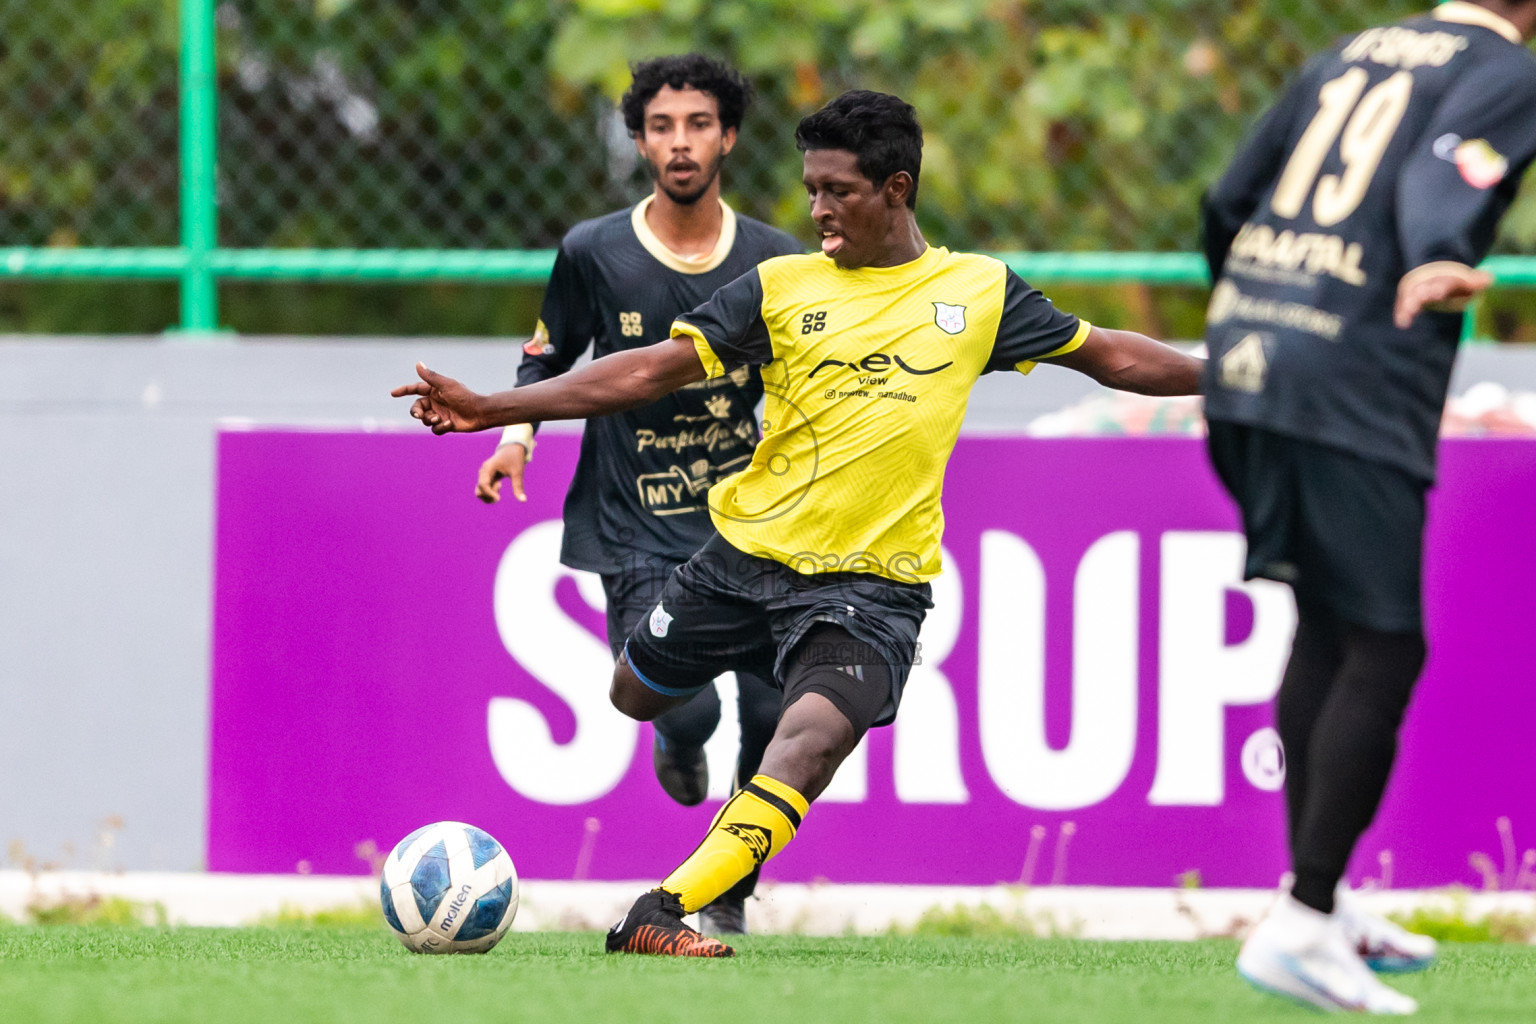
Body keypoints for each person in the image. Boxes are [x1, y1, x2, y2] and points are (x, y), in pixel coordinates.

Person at [397, 89, 1201, 958]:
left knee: (808, 742)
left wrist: (1228, 379)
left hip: (870, 590)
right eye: (810, 189)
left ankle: (664, 910)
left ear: (897, 189)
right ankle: (684, 730)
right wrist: (498, 408)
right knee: (635, 694)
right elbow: (645, 374)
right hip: (741, 562)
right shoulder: (781, 289)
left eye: (838, 192)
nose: (816, 210)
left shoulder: (976, 292)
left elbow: (1111, 353)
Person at [1201, 0, 1536, 1013]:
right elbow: (1445, 173)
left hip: (1246, 360)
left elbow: (1225, 199)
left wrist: (1260, 310)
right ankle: (1302, 921)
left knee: (1332, 623)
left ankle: (1321, 900)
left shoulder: (1349, 51)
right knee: (1386, 644)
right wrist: (1435, 249)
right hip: (1349, 383)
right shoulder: (1504, 68)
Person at [476, 54, 802, 935]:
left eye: (698, 124)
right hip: (638, 529)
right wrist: (516, 436)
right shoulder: (595, 252)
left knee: (775, 715)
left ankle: (727, 890)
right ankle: (675, 736)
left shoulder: (780, 261)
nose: (681, 142)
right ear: (640, 141)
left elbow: (814, 376)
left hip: (753, 529)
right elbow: (549, 355)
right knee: (686, 702)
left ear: (727, 136)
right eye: (662, 127)